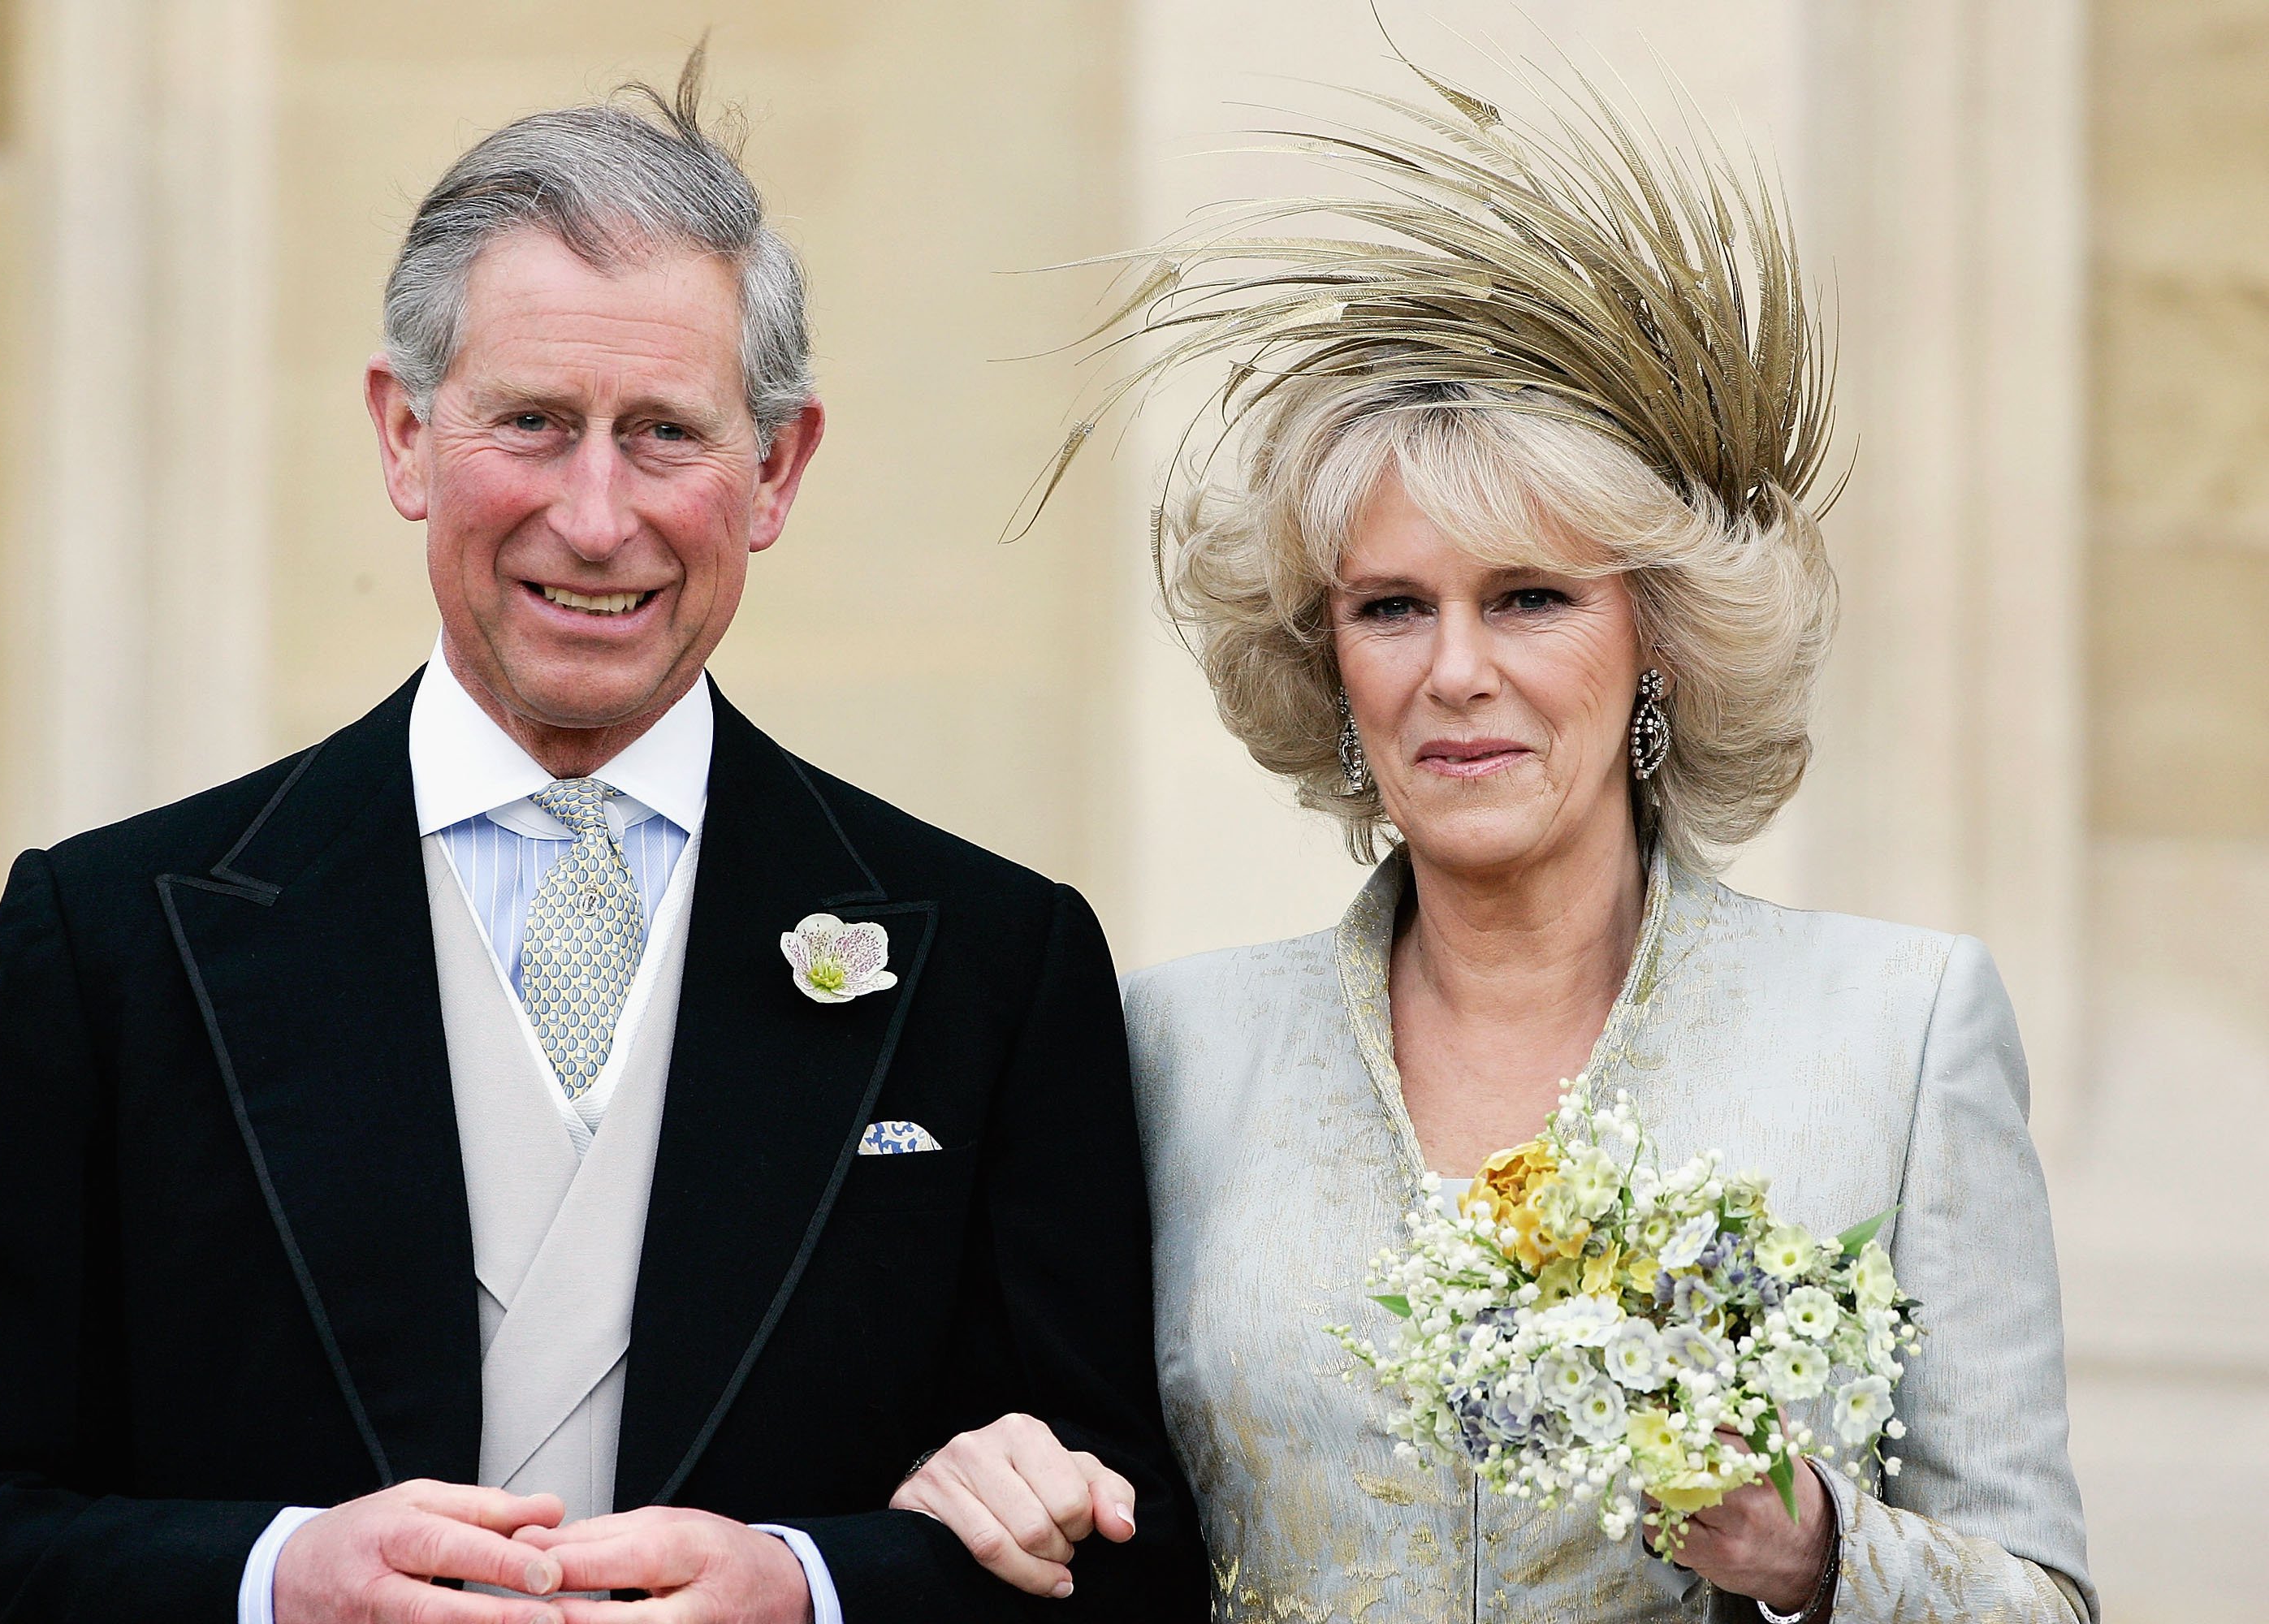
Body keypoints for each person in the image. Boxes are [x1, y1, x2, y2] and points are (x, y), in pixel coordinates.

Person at [0, 58, 1204, 1624]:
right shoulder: (117, 940)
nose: (599, 515)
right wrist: (279, 1581)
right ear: (404, 437)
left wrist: (810, 1589)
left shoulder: (993, 965)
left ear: (780, 468)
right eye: (534, 423)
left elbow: (1133, 1555)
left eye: (666, 433)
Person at [899, 62, 2098, 1623]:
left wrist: (1816, 1549)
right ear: (1330, 662)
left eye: (1531, 597)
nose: (1454, 670)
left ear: (1658, 641)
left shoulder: (1901, 1026)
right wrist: (965, 1477)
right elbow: (1065, 1490)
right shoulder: (1170, 1046)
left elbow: (2043, 1596)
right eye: (1391, 608)